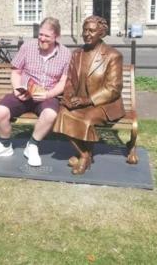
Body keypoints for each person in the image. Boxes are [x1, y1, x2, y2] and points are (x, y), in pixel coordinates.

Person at [0, 17, 71, 167]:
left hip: (47, 95)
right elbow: (16, 72)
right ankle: (4, 146)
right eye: (40, 34)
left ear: (57, 37)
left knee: (50, 114)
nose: (42, 39)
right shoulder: (28, 47)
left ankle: (32, 145)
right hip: (24, 94)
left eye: (47, 36)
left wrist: (48, 94)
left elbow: (63, 82)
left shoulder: (66, 54)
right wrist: (17, 89)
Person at [53, 15, 125, 175]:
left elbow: (114, 88)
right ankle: (85, 154)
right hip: (80, 102)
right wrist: (69, 96)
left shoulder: (113, 56)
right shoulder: (77, 54)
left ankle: (84, 158)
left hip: (104, 104)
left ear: (101, 33)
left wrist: (87, 100)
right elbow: (70, 80)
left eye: (91, 30)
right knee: (62, 114)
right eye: (85, 30)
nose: (87, 34)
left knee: (85, 119)